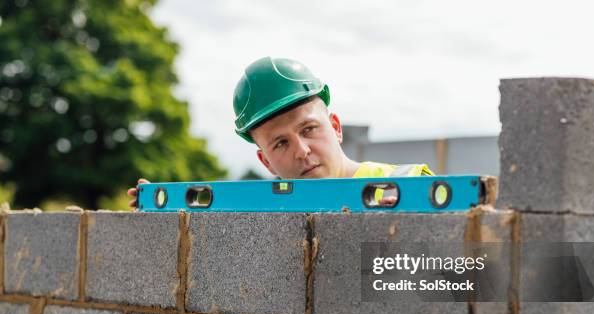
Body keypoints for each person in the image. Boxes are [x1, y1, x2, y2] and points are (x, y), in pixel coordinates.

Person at [127, 57, 433, 208]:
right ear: (266, 162)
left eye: (309, 129)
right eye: (281, 143)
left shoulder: (410, 186)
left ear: (335, 127)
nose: (301, 150)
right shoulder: (266, 213)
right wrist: (162, 207)